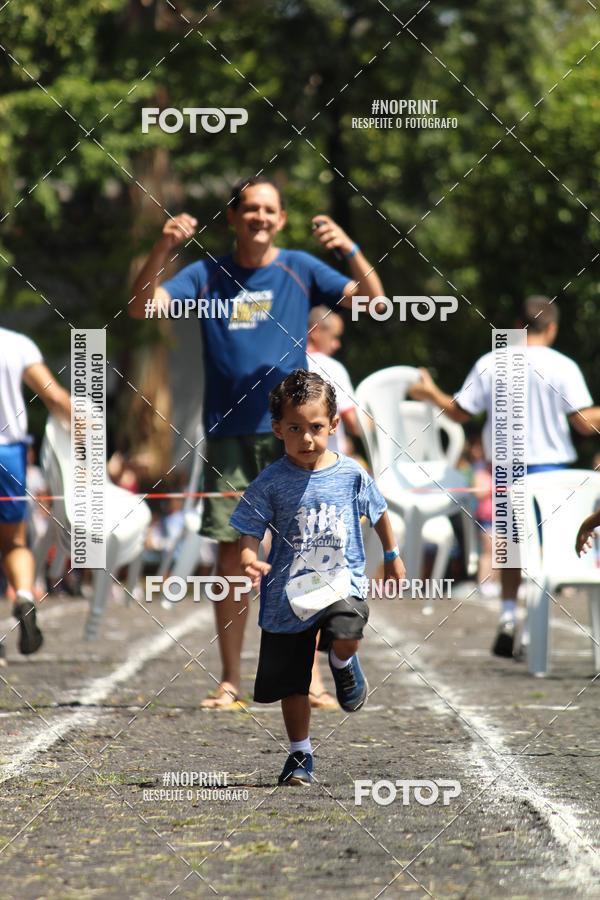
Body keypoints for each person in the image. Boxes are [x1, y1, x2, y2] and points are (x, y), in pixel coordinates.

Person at [128, 176, 384, 707]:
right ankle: (228, 678)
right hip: (229, 434)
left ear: (281, 219)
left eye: (269, 209)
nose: (259, 217)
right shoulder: (207, 273)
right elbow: (141, 307)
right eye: (250, 209)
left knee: (309, 554)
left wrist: (352, 250)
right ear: (234, 218)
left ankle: (308, 678)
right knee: (230, 557)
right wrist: (162, 248)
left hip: (296, 437)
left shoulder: (300, 267)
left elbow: (375, 303)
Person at [230, 370, 405, 785]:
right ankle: (299, 755)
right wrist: (248, 556)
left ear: (333, 426)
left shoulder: (351, 474)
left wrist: (393, 554)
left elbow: (379, 513)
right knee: (293, 684)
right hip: (288, 595)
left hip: (342, 581)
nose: (306, 439)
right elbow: (249, 527)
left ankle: (343, 660)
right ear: (277, 429)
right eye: (295, 429)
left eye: (315, 428)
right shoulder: (270, 482)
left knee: (347, 630)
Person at [408, 296, 600, 659]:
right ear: (553, 328)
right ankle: (531, 629)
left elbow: (461, 413)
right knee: (545, 553)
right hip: (551, 471)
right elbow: (583, 423)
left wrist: (431, 392)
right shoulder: (563, 365)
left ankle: (509, 615)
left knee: (511, 547)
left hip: (506, 469)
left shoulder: (491, 362)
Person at [0, 326, 71, 663]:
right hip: (9, 456)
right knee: (15, 542)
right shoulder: (17, 343)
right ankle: (25, 595)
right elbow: (55, 398)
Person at [306, 305, 360, 454]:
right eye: (334, 337)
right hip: (330, 466)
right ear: (315, 331)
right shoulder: (332, 368)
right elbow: (354, 423)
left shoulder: (286, 366)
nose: (337, 345)